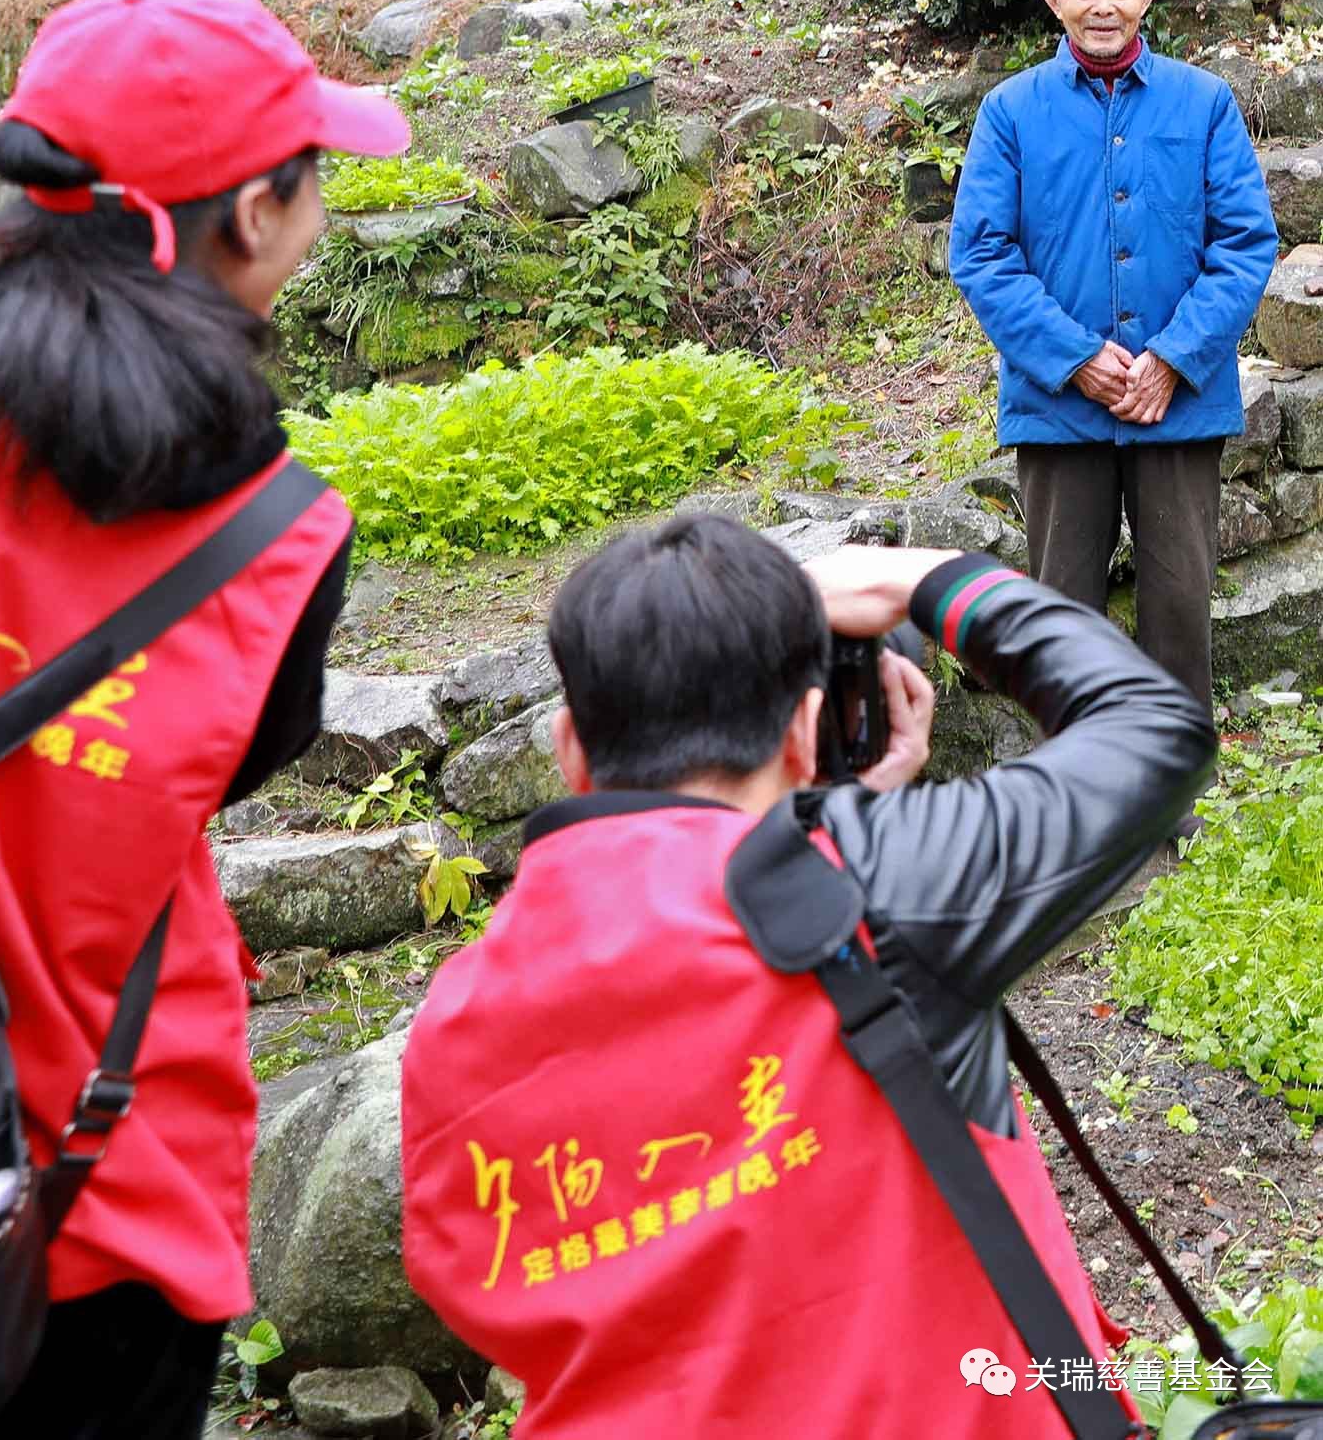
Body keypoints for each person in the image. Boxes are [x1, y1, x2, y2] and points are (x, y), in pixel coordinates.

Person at [0, 0, 409, 1440]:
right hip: (82, 1197)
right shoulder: (267, 532)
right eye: (312, 184)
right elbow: (219, 771)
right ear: (248, 215)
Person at [400, 511, 1215, 1437]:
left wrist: (839, 825)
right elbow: (1155, 729)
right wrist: (933, 579)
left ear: (568, 749)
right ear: (805, 729)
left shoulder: (454, 1017)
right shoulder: (877, 886)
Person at [949, 0, 1276, 732]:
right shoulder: (1010, 112)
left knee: (1178, 603)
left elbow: (1245, 243)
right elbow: (982, 253)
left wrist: (1171, 358)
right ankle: (1081, 796)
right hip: (1061, 409)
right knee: (1063, 616)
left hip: (1179, 405)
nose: (1104, 2)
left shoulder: (1203, 104)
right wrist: (1074, 358)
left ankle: (1170, 790)